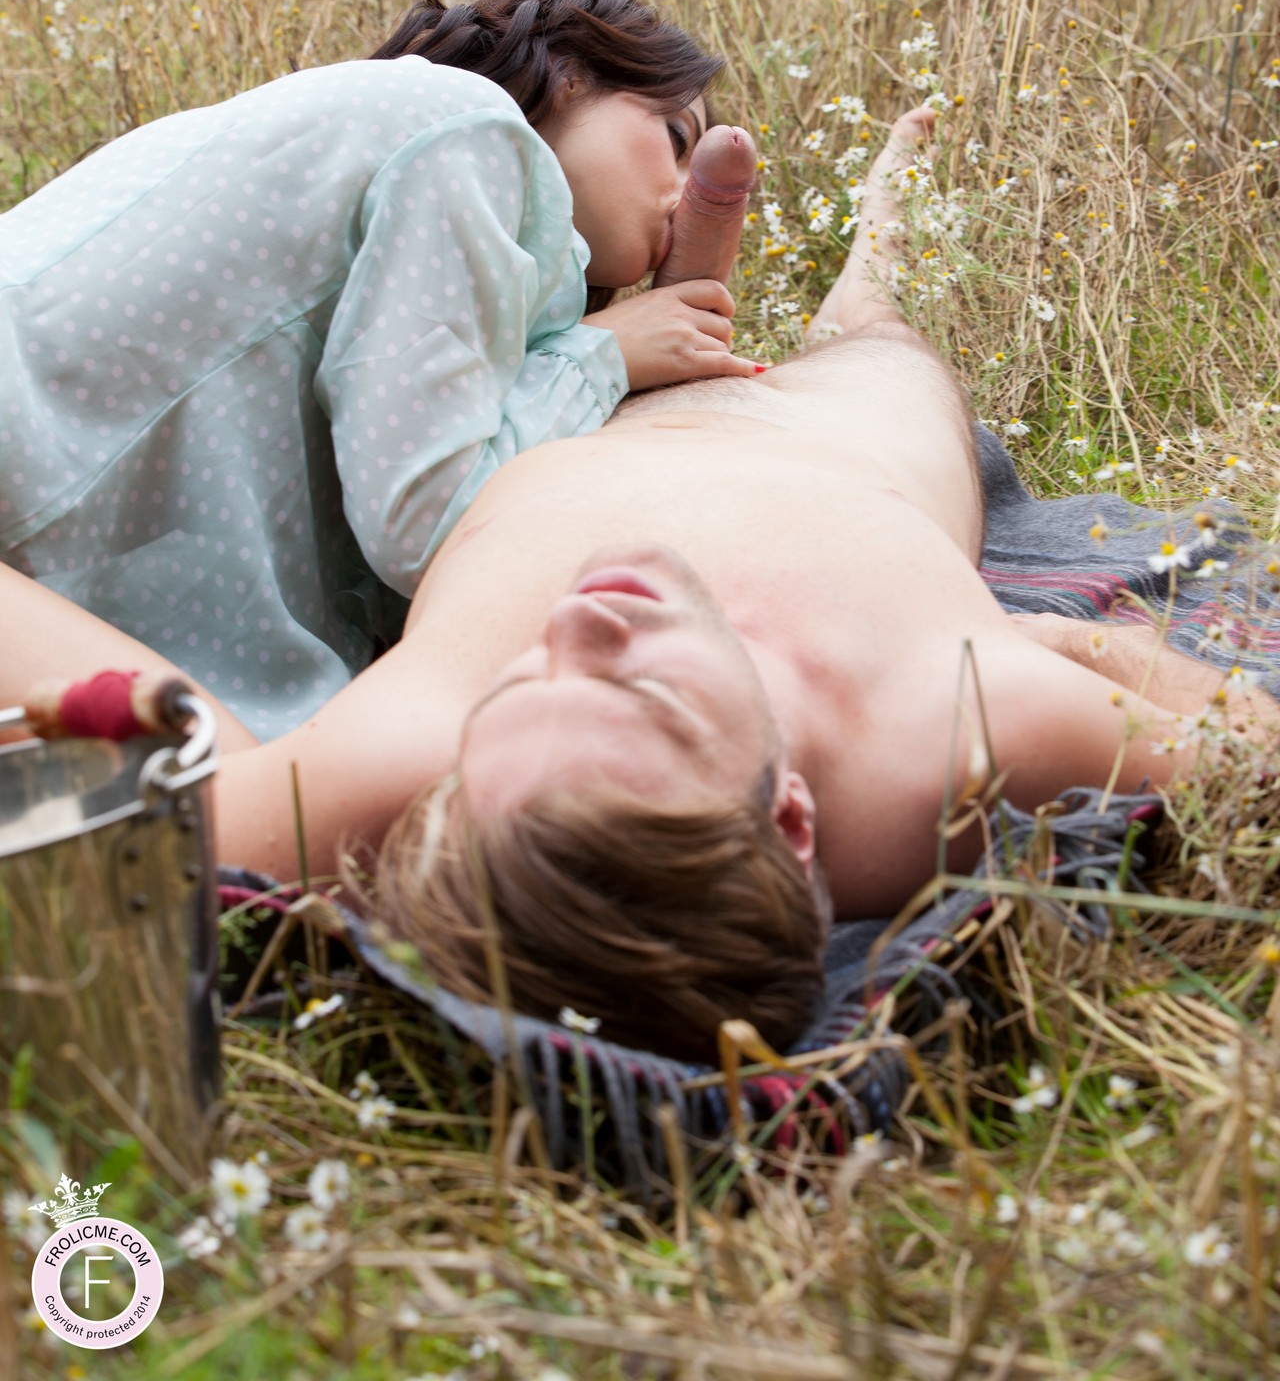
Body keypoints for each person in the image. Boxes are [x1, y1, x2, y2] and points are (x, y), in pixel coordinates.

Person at [3, 108, 1274, 1062]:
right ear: (789, 816)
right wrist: (1072, 653)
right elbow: (1240, 749)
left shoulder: (434, 763)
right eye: (647, 698)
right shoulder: (947, 742)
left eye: (516, 685)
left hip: (567, 407)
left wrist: (136, 725)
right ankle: (874, 236)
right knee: (872, 324)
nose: (579, 622)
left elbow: (164, 803)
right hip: (841, 426)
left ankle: (686, 293)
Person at [0, 0, 759, 741]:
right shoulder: (471, 129)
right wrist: (603, 358)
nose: (682, 192)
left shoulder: (401, 149)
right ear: (571, 71)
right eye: (674, 138)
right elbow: (427, 529)